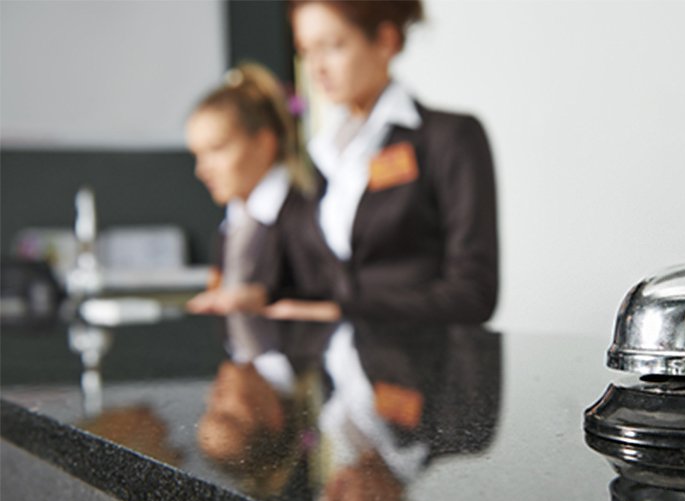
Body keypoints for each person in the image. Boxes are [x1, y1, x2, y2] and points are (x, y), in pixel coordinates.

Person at [264, 0, 499, 324]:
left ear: (385, 41)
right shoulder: (323, 156)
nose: (316, 68)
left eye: (332, 46)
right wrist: (261, 297)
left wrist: (343, 312)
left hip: (427, 368)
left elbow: (472, 295)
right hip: (340, 369)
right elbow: (322, 284)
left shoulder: (449, 138)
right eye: (306, 51)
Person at [185, 62, 315, 315]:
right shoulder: (232, 226)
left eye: (217, 149)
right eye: (198, 155)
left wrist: (266, 301)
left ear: (264, 143)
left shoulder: (307, 220)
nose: (202, 170)